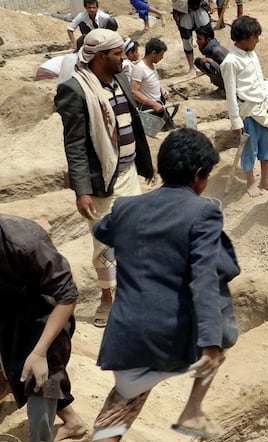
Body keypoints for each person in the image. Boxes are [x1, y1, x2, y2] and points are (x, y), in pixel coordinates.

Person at [52, 128, 240, 442]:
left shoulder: (127, 207)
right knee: (222, 333)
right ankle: (191, 410)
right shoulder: (204, 211)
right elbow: (205, 277)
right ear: (199, 174)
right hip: (172, 337)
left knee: (122, 402)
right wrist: (209, 343)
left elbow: (103, 232)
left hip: (126, 332)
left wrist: (124, 227)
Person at [55, 28, 155, 328]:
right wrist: (81, 190)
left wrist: (146, 164)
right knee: (104, 243)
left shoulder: (122, 79)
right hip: (102, 180)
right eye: (117, 54)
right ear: (100, 57)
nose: (123, 58)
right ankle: (108, 298)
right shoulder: (74, 89)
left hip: (128, 172)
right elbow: (74, 145)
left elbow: (133, 124)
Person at [0, 215, 89, 442]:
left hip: (46, 306)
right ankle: (72, 422)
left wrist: (39, 351)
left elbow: (67, 295)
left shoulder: (25, 241)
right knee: (17, 369)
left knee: (42, 378)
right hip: (8, 307)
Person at [221, 15, 268, 198]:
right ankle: (251, 181)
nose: (258, 41)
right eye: (255, 37)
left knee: (267, 144)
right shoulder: (230, 62)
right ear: (245, 38)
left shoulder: (252, 53)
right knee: (248, 149)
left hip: (262, 107)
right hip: (247, 112)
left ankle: (266, 179)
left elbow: (259, 80)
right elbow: (230, 94)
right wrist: (235, 121)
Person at [131, 38, 179, 130]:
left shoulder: (152, 66)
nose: (162, 57)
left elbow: (153, 82)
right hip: (150, 111)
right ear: (153, 53)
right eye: (161, 55)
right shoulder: (140, 69)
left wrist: (162, 89)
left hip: (160, 106)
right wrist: (153, 104)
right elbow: (134, 92)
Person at [171, 0, 213, 76]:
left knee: (207, 34)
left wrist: (211, 1)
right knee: (187, 39)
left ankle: (210, 63)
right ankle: (191, 67)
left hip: (200, 5)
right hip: (182, 8)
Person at [194, 25, 229, 93]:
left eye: (200, 39)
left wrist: (211, 61)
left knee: (206, 64)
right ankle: (221, 86)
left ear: (208, 40)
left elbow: (229, 69)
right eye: (197, 38)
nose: (197, 41)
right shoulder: (209, 49)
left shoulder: (217, 51)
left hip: (232, 78)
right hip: (223, 74)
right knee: (198, 62)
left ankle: (225, 88)